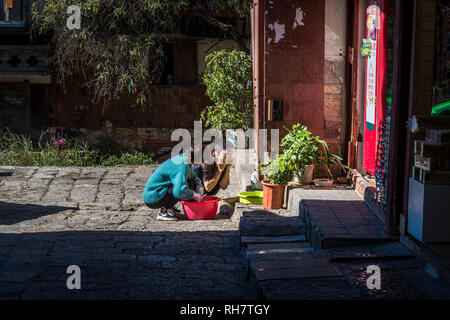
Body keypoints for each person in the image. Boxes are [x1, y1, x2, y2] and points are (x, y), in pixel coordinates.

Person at [142, 153, 204, 221]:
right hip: (153, 198)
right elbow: (179, 190)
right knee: (183, 187)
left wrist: (199, 186)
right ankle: (165, 211)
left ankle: (168, 205)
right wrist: (194, 195)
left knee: (189, 183)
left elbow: (193, 176)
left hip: (158, 192)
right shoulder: (182, 164)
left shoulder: (185, 160)